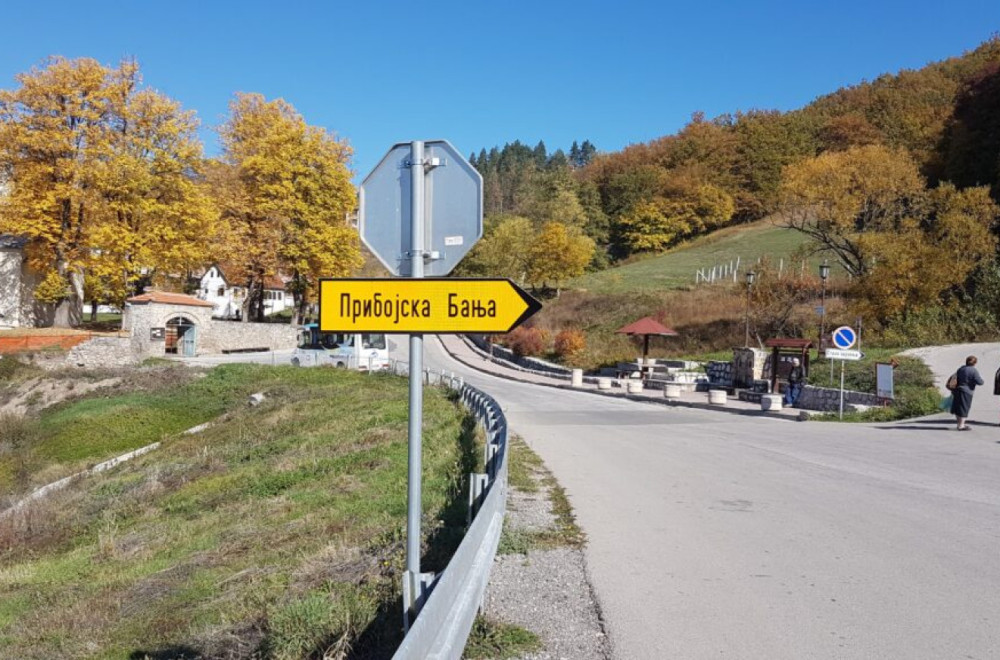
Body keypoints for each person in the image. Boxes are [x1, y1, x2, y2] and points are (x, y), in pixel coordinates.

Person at [950, 355, 984, 430]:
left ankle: (959, 424)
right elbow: (980, 382)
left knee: (958, 408)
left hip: (957, 390)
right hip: (967, 391)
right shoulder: (973, 371)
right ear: (975, 363)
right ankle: (961, 425)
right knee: (964, 408)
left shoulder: (961, 369)